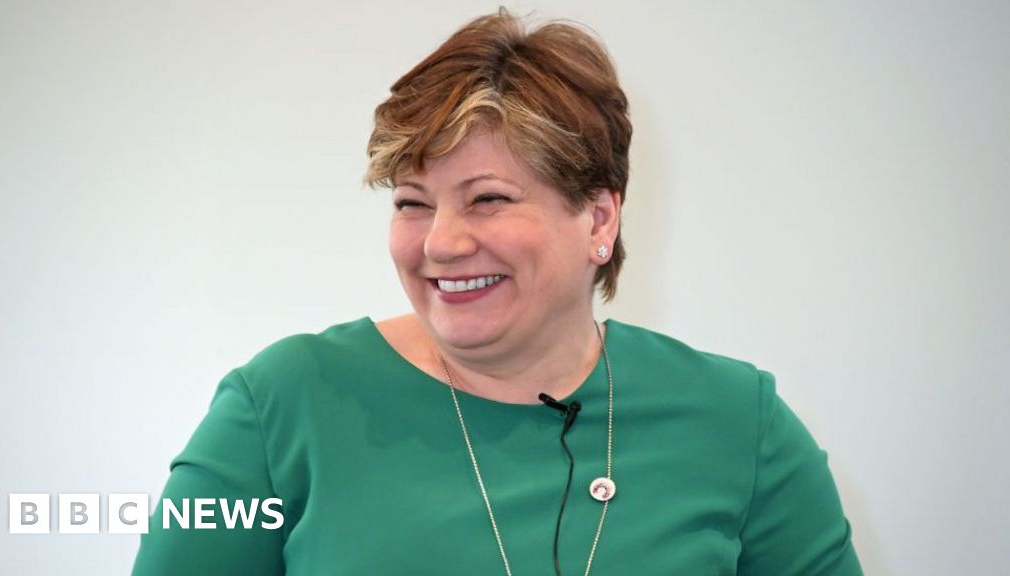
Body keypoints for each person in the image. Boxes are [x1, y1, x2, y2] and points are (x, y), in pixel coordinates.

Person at [133, 9, 862, 575]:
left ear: (598, 218)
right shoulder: (282, 405)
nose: (441, 242)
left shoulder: (740, 424)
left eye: (487, 199)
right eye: (412, 202)